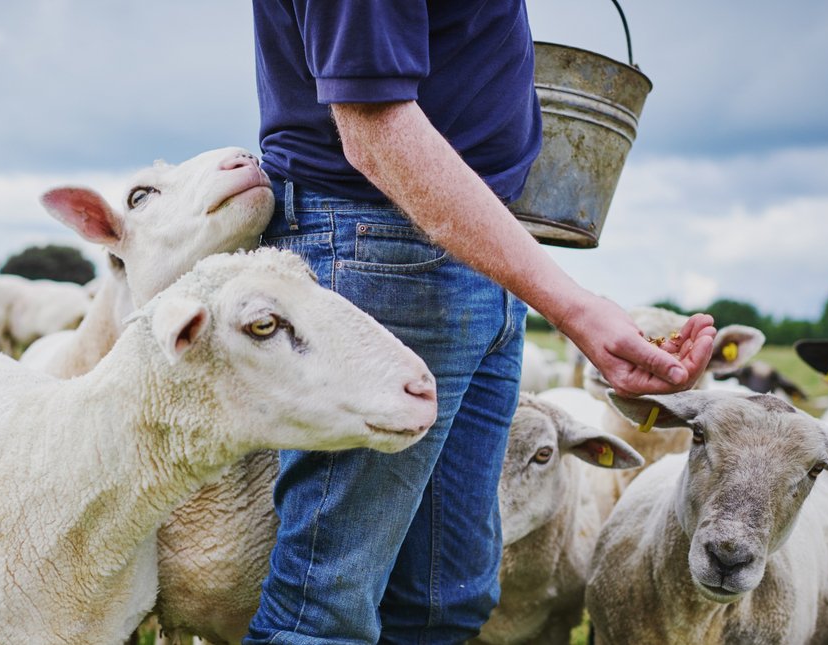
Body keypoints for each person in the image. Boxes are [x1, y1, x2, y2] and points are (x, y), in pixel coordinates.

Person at [245, 2, 716, 643]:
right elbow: (375, 126)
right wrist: (574, 307)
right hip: (380, 249)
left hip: (477, 247)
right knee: (323, 611)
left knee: (446, 600)